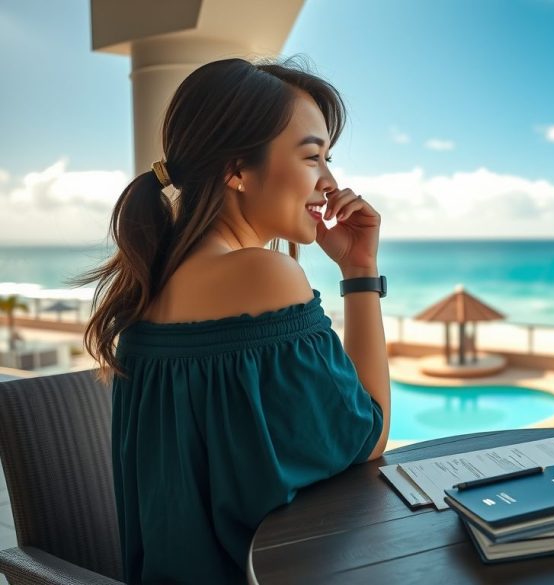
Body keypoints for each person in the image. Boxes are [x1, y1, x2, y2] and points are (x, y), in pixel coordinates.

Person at [74, 57, 391, 584]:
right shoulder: (265, 274)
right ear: (237, 169)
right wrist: (361, 271)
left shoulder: (152, 279)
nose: (331, 183)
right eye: (313, 157)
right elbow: (366, 436)